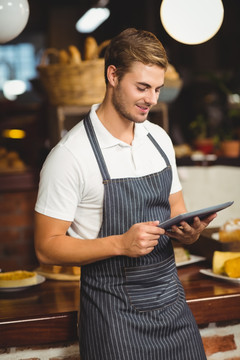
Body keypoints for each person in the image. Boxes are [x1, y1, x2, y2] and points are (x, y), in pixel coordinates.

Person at [34, 28, 216, 360]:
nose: (152, 99)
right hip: (113, 321)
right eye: (142, 87)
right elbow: (46, 247)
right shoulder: (70, 155)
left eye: (158, 89)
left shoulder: (158, 140)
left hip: (173, 309)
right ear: (113, 75)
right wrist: (120, 243)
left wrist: (191, 233)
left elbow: (177, 209)